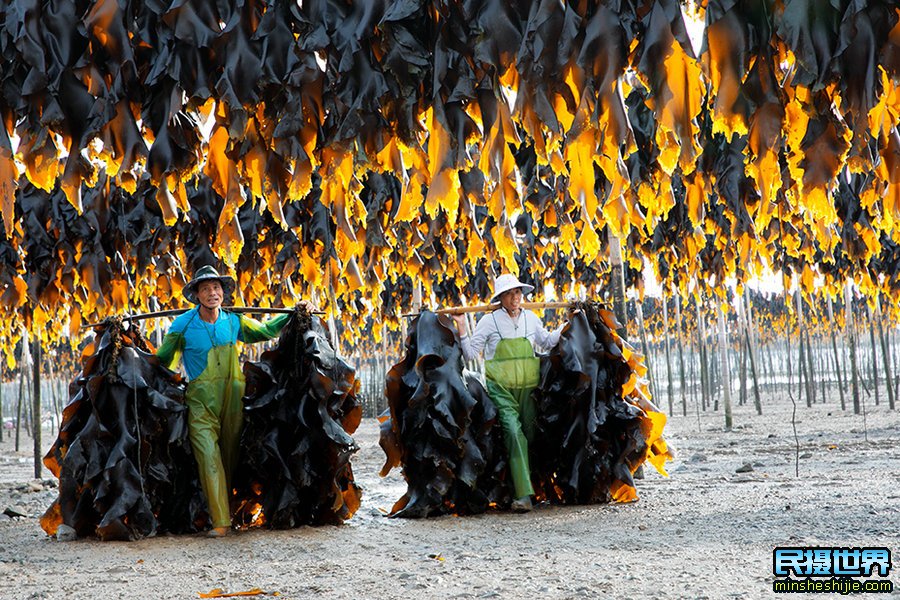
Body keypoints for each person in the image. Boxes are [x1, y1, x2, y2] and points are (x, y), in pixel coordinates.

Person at [156, 265, 313, 537]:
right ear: (196, 294)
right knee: (208, 457)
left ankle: (226, 510)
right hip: (200, 400)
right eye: (205, 288)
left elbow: (264, 331)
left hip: (233, 398)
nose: (212, 292)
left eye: (216, 287)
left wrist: (293, 314)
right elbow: (163, 361)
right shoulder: (182, 325)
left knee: (230, 457)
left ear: (223, 292)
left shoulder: (233, 321)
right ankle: (221, 523)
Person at [451, 274, 567, 513]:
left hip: (528, 388)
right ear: (500, 298)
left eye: (518, 293)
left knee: (531, 435)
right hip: (500, 389)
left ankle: (533, 485)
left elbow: (546, 342)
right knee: (514, 433)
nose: (515, 298)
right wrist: (462, 327)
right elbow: (471, 354)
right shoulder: (489, 322)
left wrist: (567, 326)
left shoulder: (531, 319)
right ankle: (522, 496)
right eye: (509, 294)